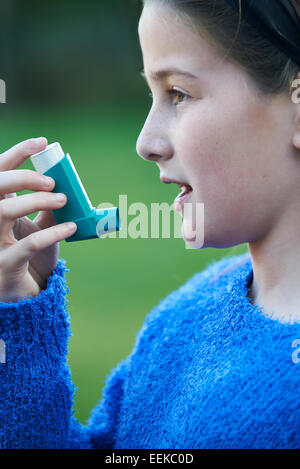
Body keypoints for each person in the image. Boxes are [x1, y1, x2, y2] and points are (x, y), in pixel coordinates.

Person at [0, 0, 300, 449]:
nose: (145, 143)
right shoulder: (183, 318)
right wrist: (17, 304)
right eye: (152, 95)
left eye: (179, 93)